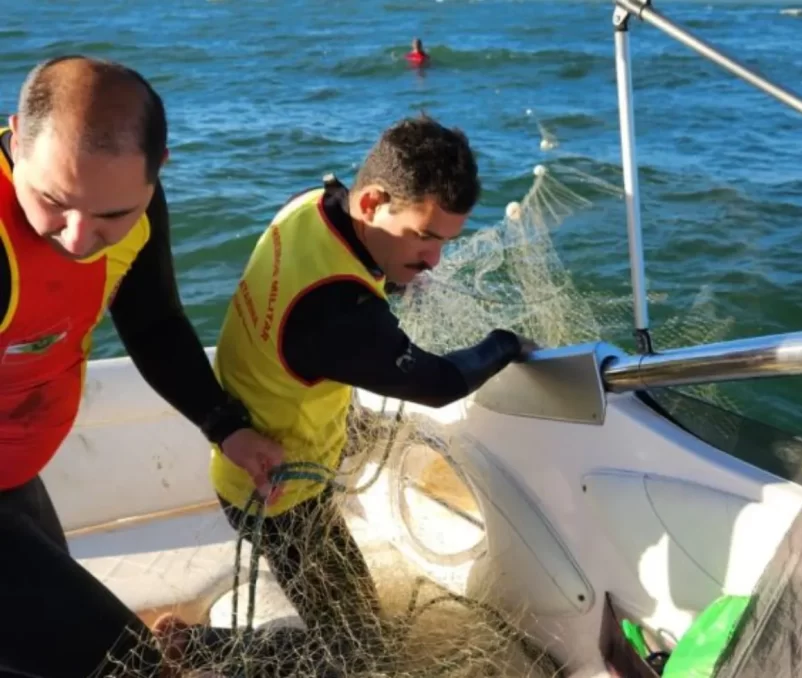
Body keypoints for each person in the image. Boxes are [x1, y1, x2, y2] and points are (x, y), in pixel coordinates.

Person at [167, 114, 536, 672]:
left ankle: (190, 648)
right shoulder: (337, 313)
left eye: (444, 241)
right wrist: (505, 344)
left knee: (352, 625)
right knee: (364, 652)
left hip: (256, 452)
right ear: (371, 204)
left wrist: (397, 267)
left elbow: (352, 278)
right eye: (425, 236)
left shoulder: (314, 204)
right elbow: (437, 384)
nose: (435, 259)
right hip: (278, 494)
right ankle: (193, 653)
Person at [0, 55, 286, 677]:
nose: (77, 238)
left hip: (14, 471)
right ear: (15, 137)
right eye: (52, 201)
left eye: (111, 217)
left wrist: (225, 426)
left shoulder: (130, 201)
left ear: (157, 172)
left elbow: (153, 324)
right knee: (125, 665)